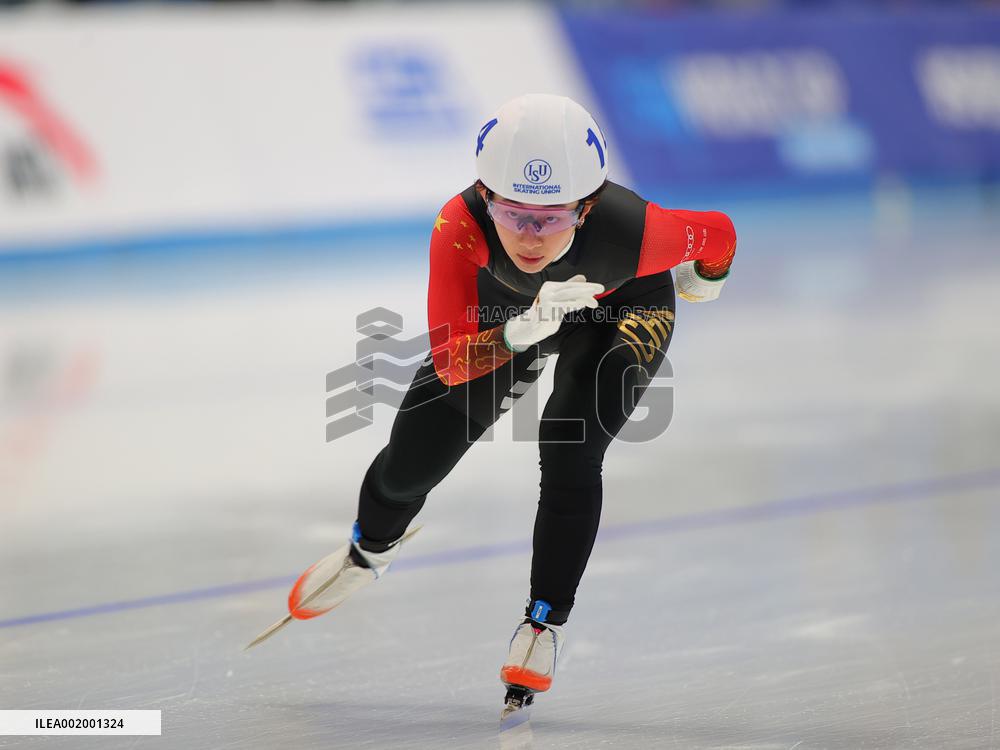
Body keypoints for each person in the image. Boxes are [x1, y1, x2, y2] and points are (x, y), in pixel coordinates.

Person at [286, 93, 737, 717]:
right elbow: (449, 364)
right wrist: (517, 332)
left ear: (587, 209)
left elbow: (719, 234)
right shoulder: (459, 226)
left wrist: (701, 282)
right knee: (412, 460)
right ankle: (370, 550)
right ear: (483, 196)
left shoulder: (636, 233)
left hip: (624, 308)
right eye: (511, 212)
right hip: (507, 317)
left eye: (550, 218)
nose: (529, 235)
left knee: (571, 446)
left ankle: (542, 624)